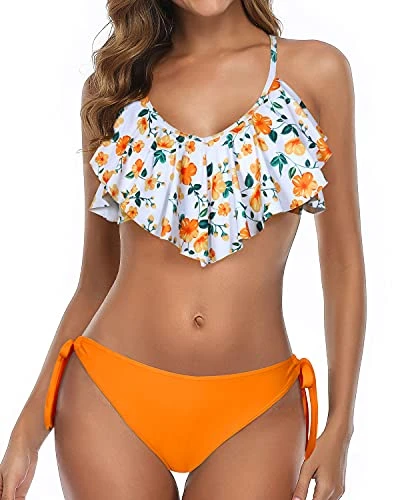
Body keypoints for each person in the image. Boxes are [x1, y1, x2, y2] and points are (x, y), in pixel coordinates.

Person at [0, 1, 366, 499]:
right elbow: (95, 279)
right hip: (109, 396)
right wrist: (28, 429)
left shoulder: (316, 72)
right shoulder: (115, 90)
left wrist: (341, 423)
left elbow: (343, 263)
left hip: (258, 408)